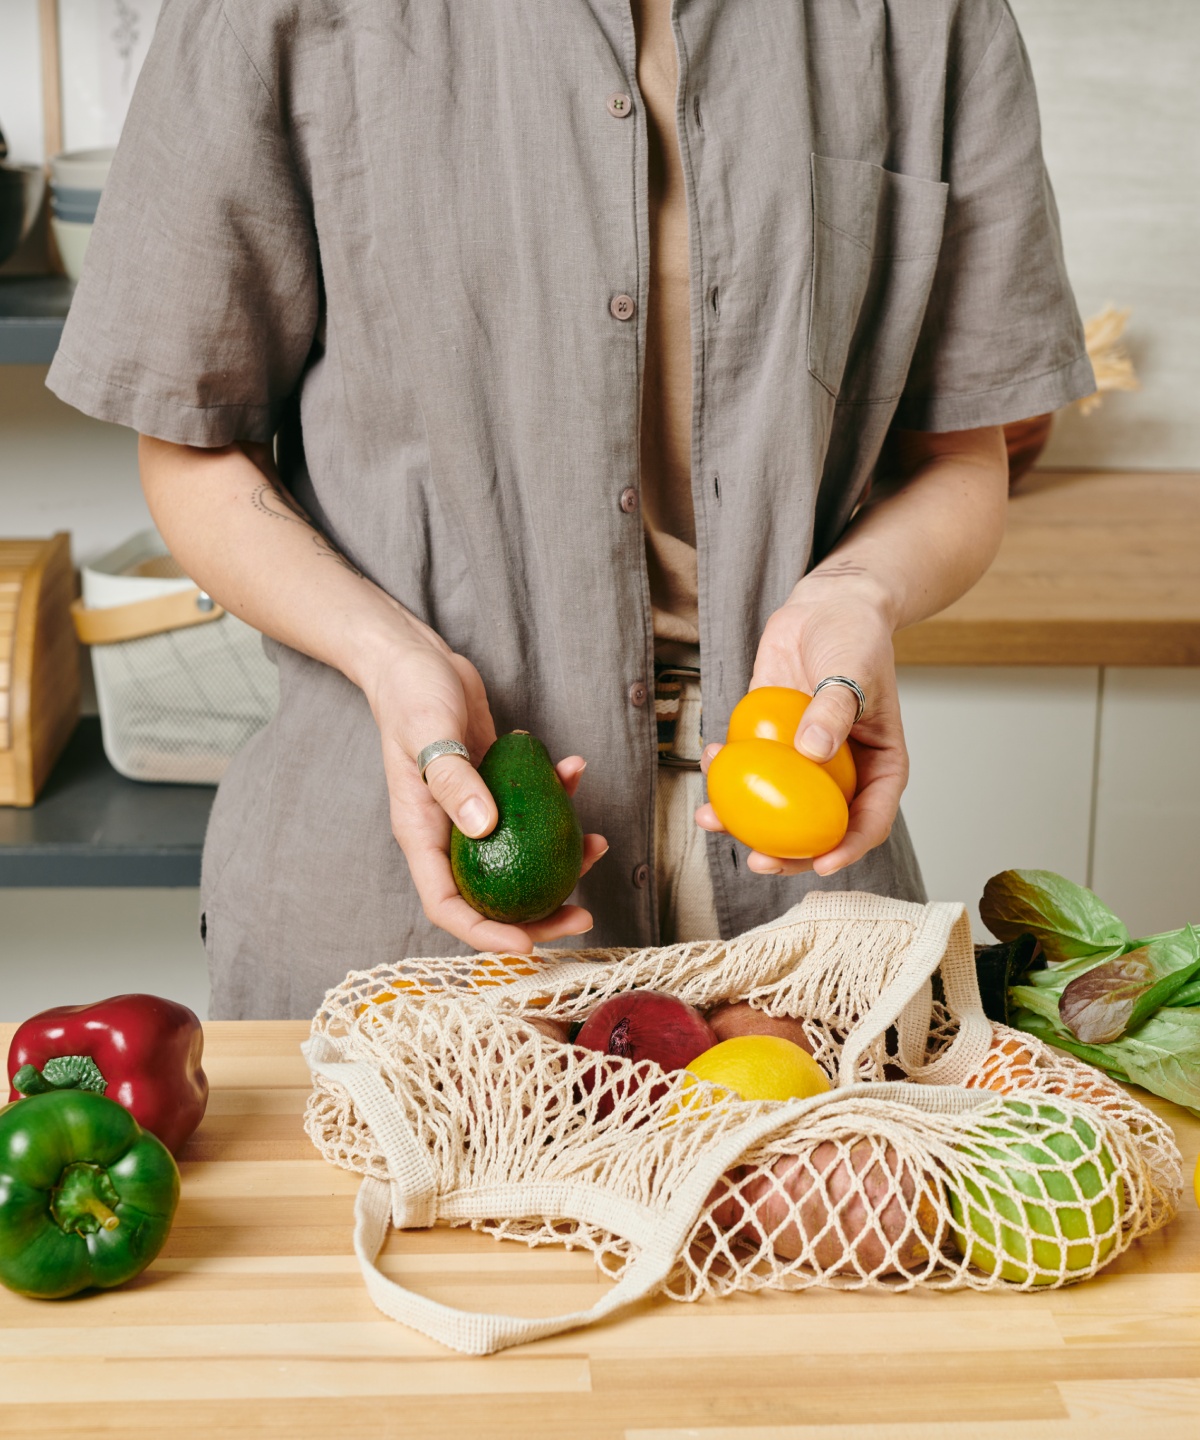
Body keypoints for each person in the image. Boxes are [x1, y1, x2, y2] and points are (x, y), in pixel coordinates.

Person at [48, 0, 1094, 1020]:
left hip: (806, 901)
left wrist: (862, 593)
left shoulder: (932, 16)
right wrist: (388, 654)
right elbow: (193, 447)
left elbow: (959, 457)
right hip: (407, 896)